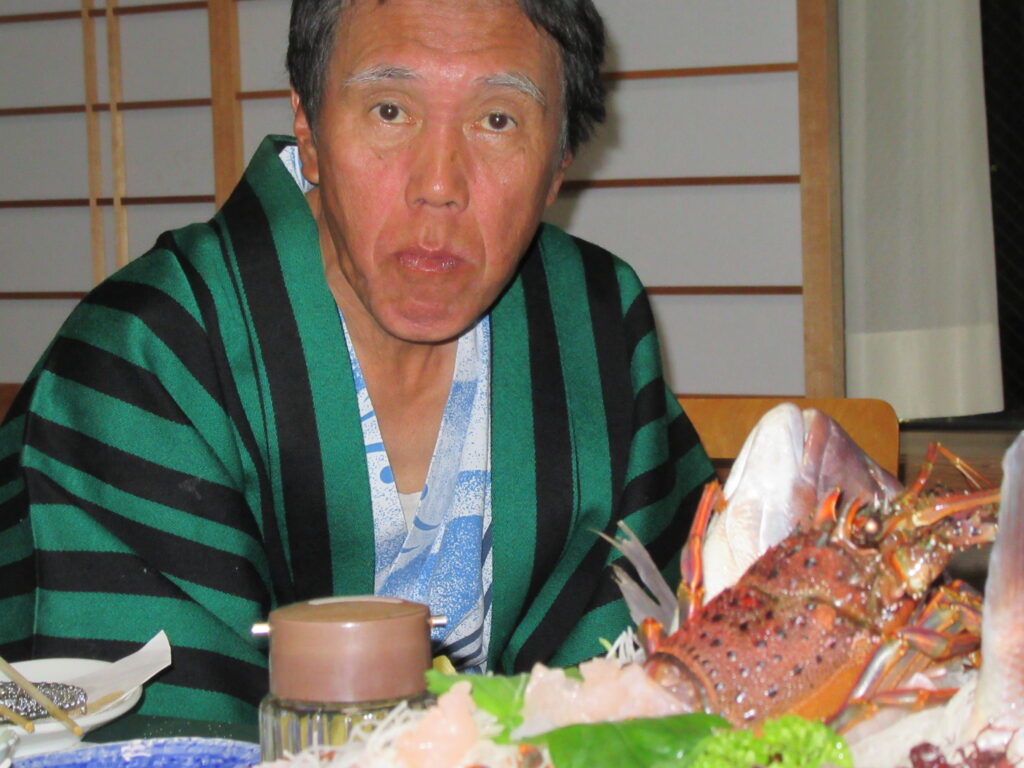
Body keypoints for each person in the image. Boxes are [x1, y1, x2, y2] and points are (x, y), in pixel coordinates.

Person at [0, 0, 712, 724]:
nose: (439, 184)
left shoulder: (596, 325)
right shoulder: (149, 354)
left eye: (498, 120)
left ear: (559, 161)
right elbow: (156, 723)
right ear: (308, 130)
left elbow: (659, 669)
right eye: (390, 111)